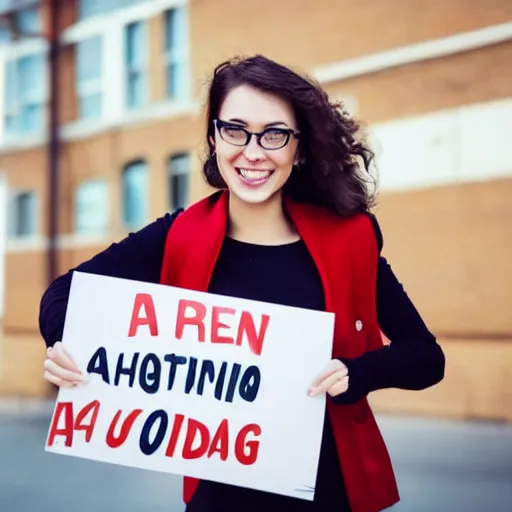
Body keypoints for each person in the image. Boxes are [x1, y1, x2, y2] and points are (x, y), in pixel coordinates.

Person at [39, 55, 445, 512]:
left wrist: (360, 373)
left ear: (300, 147)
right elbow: (62, 293)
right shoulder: (180, 235)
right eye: (235, 129)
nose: (252, 152)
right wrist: (61, 342)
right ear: (214, 138)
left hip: (329, 492)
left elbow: (426, 358)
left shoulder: (350, 239)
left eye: (274, 134)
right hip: (219, 497)